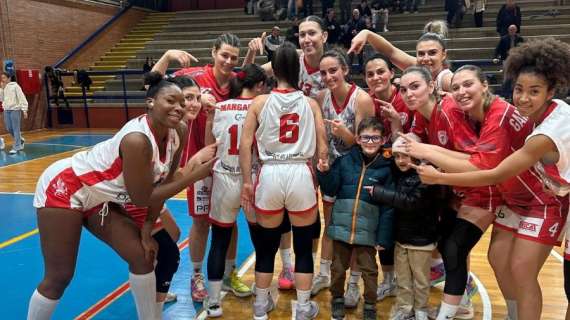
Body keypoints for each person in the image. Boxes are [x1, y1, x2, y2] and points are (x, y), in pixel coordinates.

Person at [28, 72, 216, 320]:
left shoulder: (178, 131)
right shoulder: (137, 140)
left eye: (183, 102)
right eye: (171, 101)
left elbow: (165, 182)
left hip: (100, 197)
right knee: (59, 276)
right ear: (150, 102)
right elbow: (141, 198)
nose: (179, 107)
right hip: (66, 188)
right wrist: (194, 174)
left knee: (143, 256)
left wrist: (147, 230)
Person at [411, 38, 570, 320]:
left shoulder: (530, 125)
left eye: (534, 91)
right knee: (497, 258)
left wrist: (437, 177)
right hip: (516, 197)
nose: (523, 98)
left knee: (522, 269)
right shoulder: (530, 110)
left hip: (545, 200)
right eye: (519, 89)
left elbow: (492, 172)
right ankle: (513, 315)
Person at [151, 33, 251, 302]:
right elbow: (153, 83)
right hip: (196, 161)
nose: (228, 61)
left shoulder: (234, 82)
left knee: (229, 221)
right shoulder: (194, 75)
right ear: (213, 53)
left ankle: (229, 275)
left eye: (233, 57)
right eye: (224, 55)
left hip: (227, 162)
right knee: (201, 221)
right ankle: (196, 276)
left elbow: (255, 77)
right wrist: (168, 55)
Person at [239, 42, 328, 320]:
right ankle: (302, 308)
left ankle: (260, 307)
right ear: (297, 68)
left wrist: (246, 181)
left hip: (270, 173)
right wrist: (319, 165)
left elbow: (244, 146)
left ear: (273, 70)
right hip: (300, 172)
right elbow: (322, 149)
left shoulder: (259, 102)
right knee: (303, 246)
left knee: (266, 246)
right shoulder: (311, 103)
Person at [398, 66, 485, 319]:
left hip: (476, 190)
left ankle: (462, 303)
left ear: (432, 87)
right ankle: (459, 298)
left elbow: (475, 159)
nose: (408, 94)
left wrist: (433, 163)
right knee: (449, 246)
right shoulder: (422, 116)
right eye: (404, 89)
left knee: (454, 248)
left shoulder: (448, 111)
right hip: (453, 191)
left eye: (415, 87)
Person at [310, 49, 375, 304]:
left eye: (333, 70)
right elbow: (320, 136)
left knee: (356, 229)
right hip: (332, 171)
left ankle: (354, 284)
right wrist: (322, 152)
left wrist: (345, 133)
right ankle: (324, 273)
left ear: (345, 70)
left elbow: (366, 144)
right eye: (323, 72)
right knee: (331, 224)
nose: (328, 76)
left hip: (357, 170)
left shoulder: (362, 99)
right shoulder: (319, 97)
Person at [203, 64, 267, 317]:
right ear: (259, 86)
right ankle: (262, 298)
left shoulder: (220, 107)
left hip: (224, 178)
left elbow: (210, 146)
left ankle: (214, 301)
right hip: (251, 178)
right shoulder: (262, 107)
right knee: (261, 240)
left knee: (219, 241)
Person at [318, 117, 394, 320]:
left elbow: (388, 208)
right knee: (337, 269)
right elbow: (330, 189)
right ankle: (337, 300)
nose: (370, 142)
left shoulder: (387, 167)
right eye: (366, 138)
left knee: (369, 271)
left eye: (375, 138)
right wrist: (324, 173)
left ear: (383, 140)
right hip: (341, 228)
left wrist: (383, 237)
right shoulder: (345, 160)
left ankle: (370, 304)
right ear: (358, 139)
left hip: (368, 231)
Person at [367, 137, 443, 320]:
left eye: (406, 155)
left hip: (421, 241)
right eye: (397, 156)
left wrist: (379, 192)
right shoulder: (398, 172)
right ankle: (404, 307)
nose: (401, 160)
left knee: (421, 280)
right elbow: (384, 153)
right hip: (401, 239)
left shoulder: (426, 177)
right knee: (402, 279)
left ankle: (421, 310)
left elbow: (411, 202)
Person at [348, 29, 454, 93]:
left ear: (443, 54)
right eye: (421, 54)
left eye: (432, 53)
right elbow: (391, 52)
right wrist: (366, 34)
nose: (426, 59)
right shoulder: (419, 66)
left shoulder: (446, 79)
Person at [364, 53, 413, 141]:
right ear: (366, 79)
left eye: (381, 72)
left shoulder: (407, 97)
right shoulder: (365, 102)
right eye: (370, 74)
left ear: (392, 73)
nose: (375, 78)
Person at [0, 72, 27, 155]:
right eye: (2, 78)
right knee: (9, 128)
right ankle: (21, 140)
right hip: (6, 110)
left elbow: (22, 97)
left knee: (16, 128)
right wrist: (2, 89)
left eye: (4, 78)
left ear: (9, 78)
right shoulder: (2, 88)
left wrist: (24, 109)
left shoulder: (15, 86)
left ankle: (16, 147)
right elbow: (1, 99)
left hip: (15, 109)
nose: (2, 79)